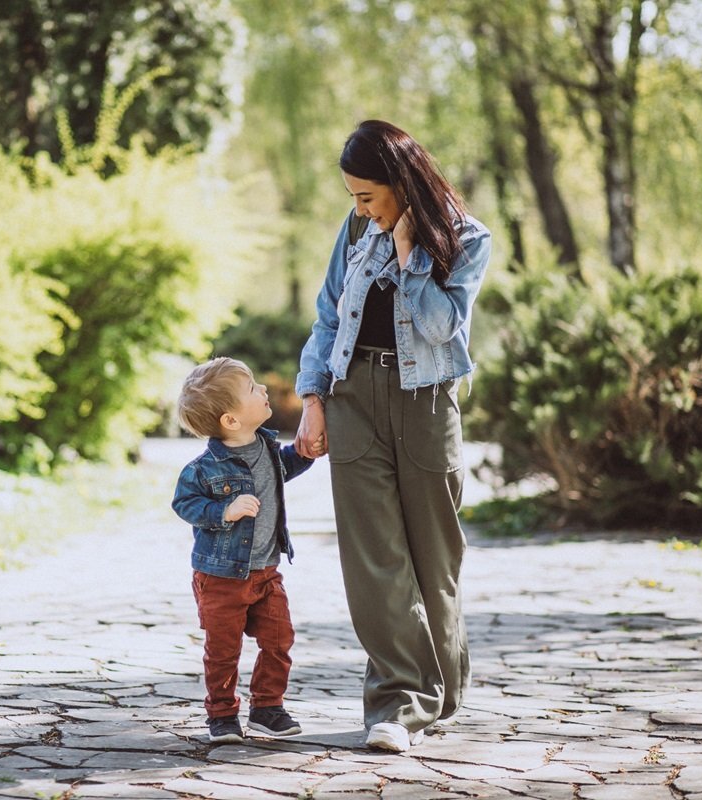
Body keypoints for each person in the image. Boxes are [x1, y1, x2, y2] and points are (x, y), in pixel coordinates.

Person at [293, 119, 492, 753]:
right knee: (373, 558)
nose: (359, 209)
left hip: (425, 404)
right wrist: (313, 399)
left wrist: (409, 257)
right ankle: (397, 704)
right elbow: (327, 317)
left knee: (435, 555)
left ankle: (442, 688)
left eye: (368, 196)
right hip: (353, 399)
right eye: (354, 197)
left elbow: (442, 329)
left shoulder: (466, 239)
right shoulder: (354, 230)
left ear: (402, 184)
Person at [172, 356, 316, 743]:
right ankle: (221, 714)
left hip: (266, 572)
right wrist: (224, 510)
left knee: (279, 639)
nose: (264, 389)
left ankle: (267, 708)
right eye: (253, 388)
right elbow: (184, 504)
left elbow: (284, 468)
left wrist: (305, 453)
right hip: (221, 578)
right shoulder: (202, 469)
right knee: (223, 651)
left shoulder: (267, 446)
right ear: (230, 421)